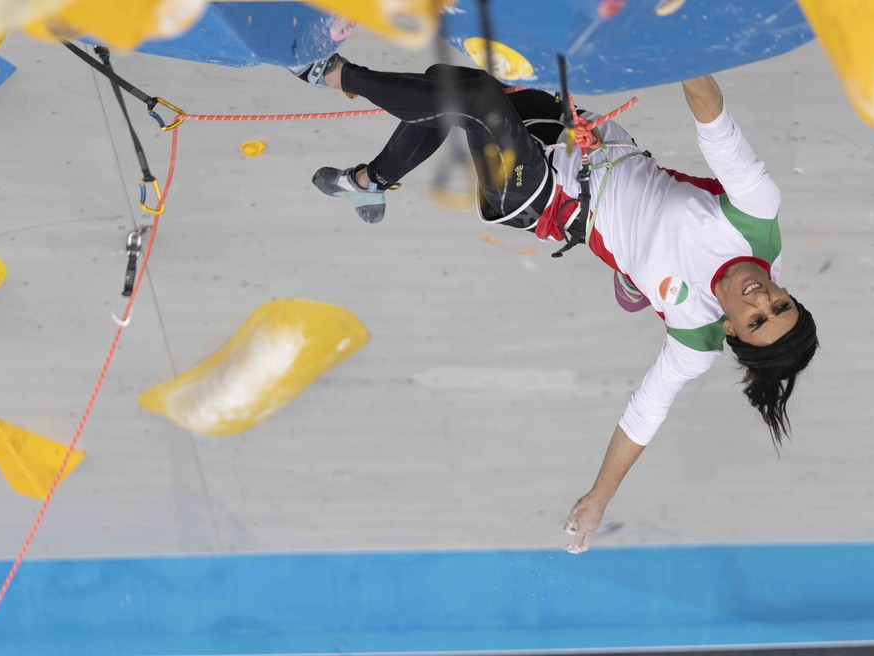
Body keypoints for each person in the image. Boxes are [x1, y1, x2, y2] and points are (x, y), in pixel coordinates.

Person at [292, 54, 819, 554]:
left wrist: (599, 498)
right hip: (584, 139)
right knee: (446, 82)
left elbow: (644, 415)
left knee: (473, 99)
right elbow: (715, 123)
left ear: (731, 329)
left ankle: (330, 72)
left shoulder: (693, 338)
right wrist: (685, 55)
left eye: (757, 320)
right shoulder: (755, 216)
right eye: (782, 306)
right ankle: (369, 184)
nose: (764, 301)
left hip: (546, 199)